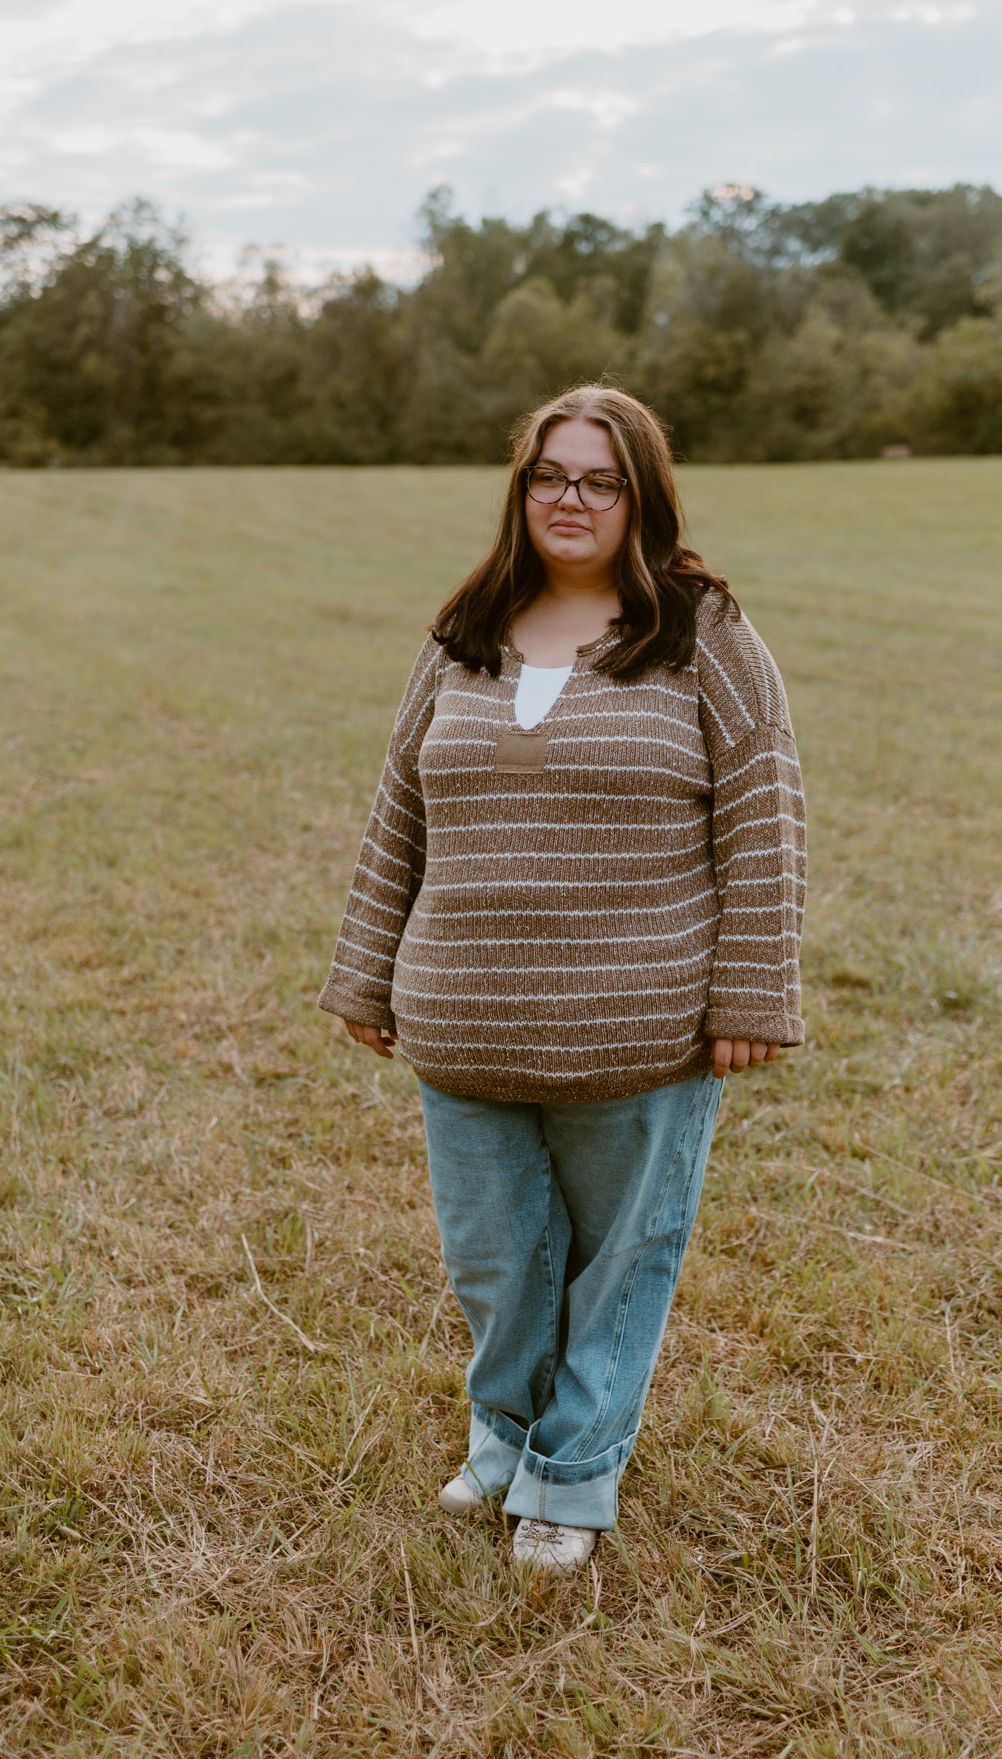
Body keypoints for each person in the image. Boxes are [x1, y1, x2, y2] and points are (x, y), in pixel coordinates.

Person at [318, 385, 807, 1571]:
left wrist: (752, 991)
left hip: (636, 1027)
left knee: (621, 1259)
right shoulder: (464, 631)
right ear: (519, 488)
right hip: (463, 1020)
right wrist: (364, 971)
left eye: (599, 477)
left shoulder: (701, 632)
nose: (569, 498)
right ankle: (505, 1431)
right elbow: (401, 810)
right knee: (495, 1257)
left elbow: (763, 812)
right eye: (549, 474)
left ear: (641, 494)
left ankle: (573, 1470)